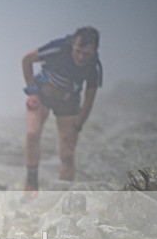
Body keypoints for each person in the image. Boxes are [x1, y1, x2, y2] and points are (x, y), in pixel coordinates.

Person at [21, 26, 102, 200]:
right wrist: (32, 91)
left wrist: (78, 125)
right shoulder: (59, 48)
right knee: (32, 132)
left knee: (67, 153)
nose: (81, 57)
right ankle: (31, 183)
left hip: (68, 102)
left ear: (94, 51)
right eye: (78, 51)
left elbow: (89, 98)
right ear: (73, 44)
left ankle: (62, 197)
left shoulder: (94, 66)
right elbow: (27, 60)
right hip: (42, 92)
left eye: (86, 54)